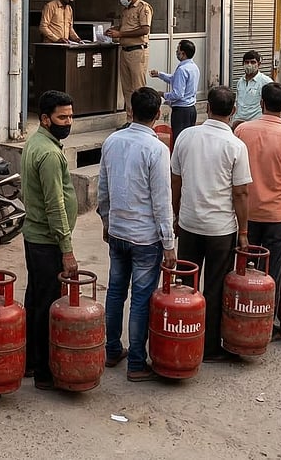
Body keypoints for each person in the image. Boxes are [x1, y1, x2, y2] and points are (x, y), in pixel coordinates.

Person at [99, 87, 176, 381]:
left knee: (116, 291)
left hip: (118, 231)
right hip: (145, 237)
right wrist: (168, 244)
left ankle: (111, 349)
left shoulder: (112, 141)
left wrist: (106, 221)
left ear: (130, 111)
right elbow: (162, 201)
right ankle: (135, 362)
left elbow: (104, 189)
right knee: (141, 298)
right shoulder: (156, 149)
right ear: (158, 115)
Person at [172, 86, 252, 362]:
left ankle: (182, 335)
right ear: (233, 112)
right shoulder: (235, 146)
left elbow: (176, 180)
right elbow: (241, 192)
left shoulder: (186, 137)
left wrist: (175, 215)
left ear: (207, 108)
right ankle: (207, 347)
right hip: (221, 229)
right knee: (214, 286)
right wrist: (243, 231)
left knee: (184, 284)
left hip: (190, 223)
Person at [21, 90, 79, 390]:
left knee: (35, 299)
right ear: (45, 119)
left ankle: (30, 361)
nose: (68, 122)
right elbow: (55, 205)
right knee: (45, 305)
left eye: (70, 116)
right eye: (62, 117)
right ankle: (43, 372)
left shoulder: (37, 141)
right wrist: (67, 250)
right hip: (46, 240)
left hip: (35, 235)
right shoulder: (49, 154)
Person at [235, 82, 281, 300]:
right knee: (271, 273)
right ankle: (267, 319)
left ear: (261, 103)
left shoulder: (242, 131)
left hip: (247, 214)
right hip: (278, 215)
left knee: (245, 271)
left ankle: (243, 311)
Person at [106, 0, 153, 116]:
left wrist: (120, 34)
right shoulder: (126, 10)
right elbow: (124, 27)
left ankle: (142, 119)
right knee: (127, 88)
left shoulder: (143, 7)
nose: (121, 0)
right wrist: (113, 31)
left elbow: (145, 29)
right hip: (125, 50)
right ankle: (130, 119)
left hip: (137, 51)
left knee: (138, 88)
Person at [149, 39, 200, 142]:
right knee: (188, 140)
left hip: (181, 111)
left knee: (179, 140)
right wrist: (159, 74)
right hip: (191, 109)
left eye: (178, 50)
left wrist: (163, 94)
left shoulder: (182, 69)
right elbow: (174, 79)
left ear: (183, 53)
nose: (176, 52)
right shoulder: (193, 67)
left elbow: (177, 94)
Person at [233, 51, 272, 126]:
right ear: (243, 64)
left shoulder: (266, 82)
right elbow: (238, 102)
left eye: (253, 62)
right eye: (246, 62)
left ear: (259, 64)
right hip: (238, 122)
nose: (249, 65)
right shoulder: (240, 82)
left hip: (255, 123)